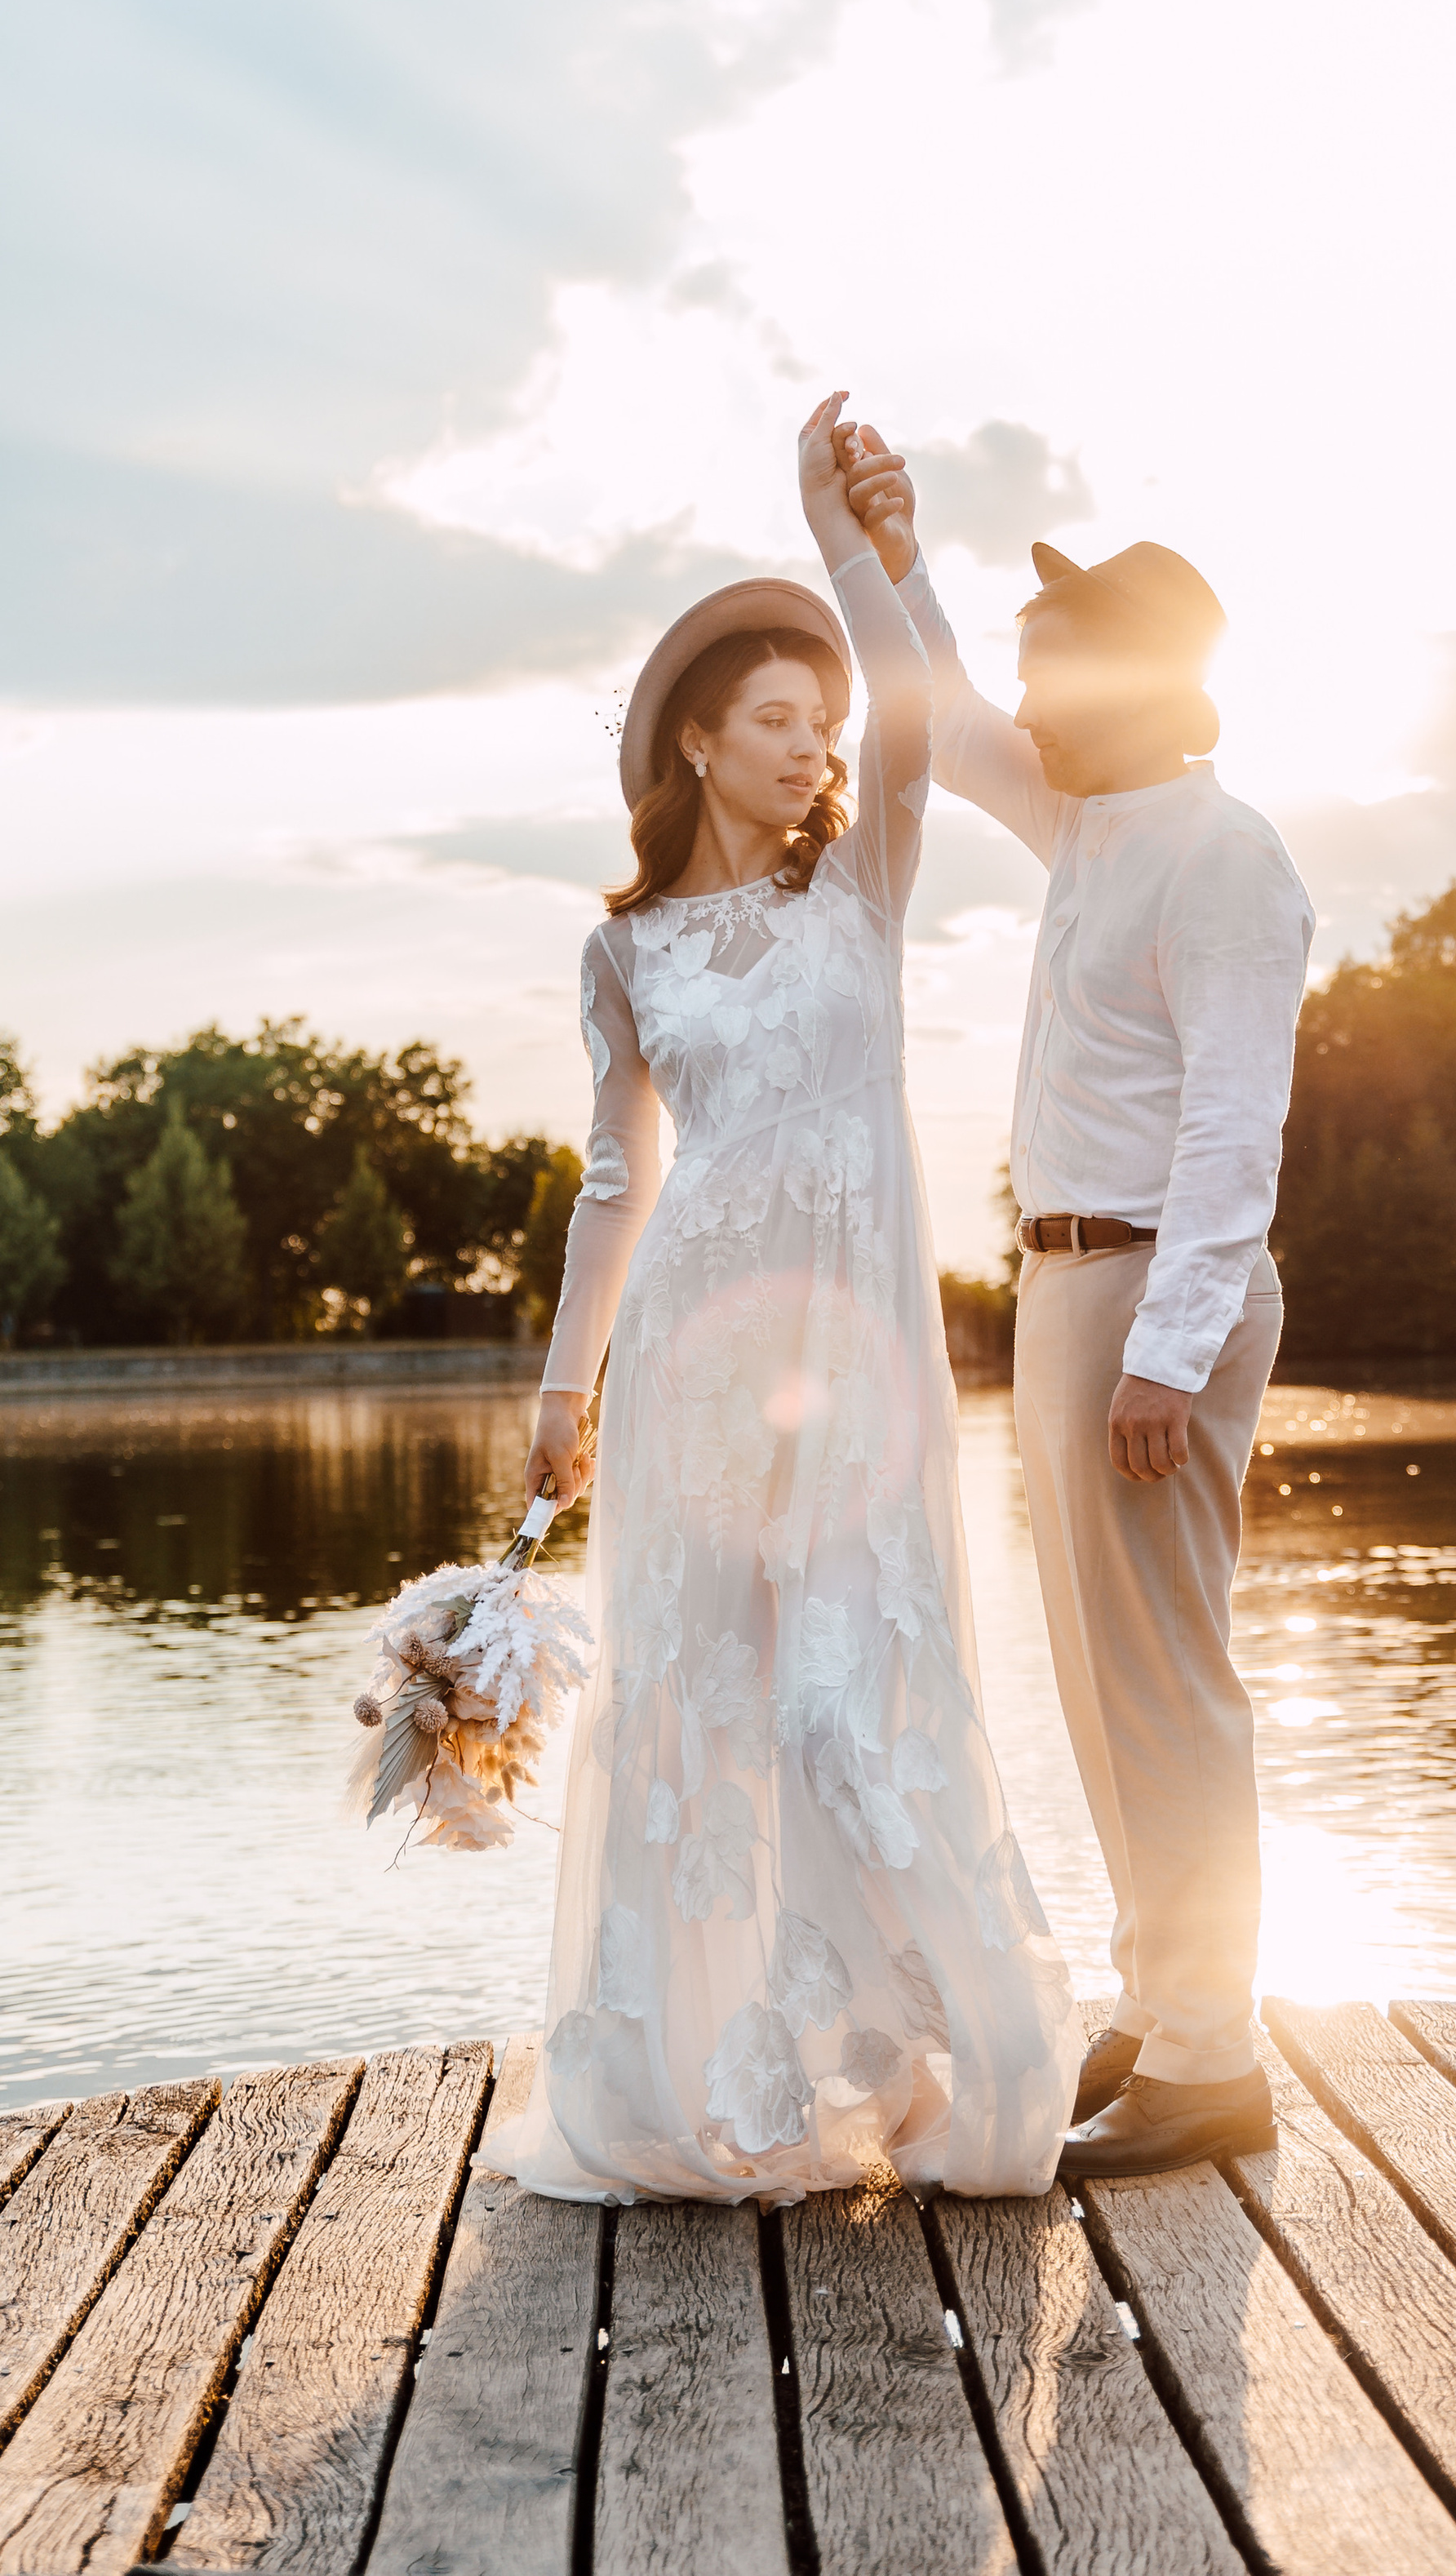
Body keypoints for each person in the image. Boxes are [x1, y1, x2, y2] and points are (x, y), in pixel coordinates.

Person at [493, 393, 1082, 2207]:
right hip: (693, 1357)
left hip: (854, 1362)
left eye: (817, 722)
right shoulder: (625, 950)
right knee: (703, 1703)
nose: (812, 742)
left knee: (846, 1694)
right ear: (696, 737)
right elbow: (618, 1179)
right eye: (773, 716)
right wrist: (566, 1387)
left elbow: (914, 705)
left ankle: (943, 2060)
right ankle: (708, 2084)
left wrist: (859, 548)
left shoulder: (866, 887)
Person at [842, 424, 1315, 2178]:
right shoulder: (1089, 823)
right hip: (1069, 1288)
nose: (1027, 692)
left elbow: (1235, 1128)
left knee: (1164, 1679)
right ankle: (1164, 1999)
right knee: (1101, 1678)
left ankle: (1211, 2059)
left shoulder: (1222, 856)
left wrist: (1168, 1355)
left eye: (1054, 664)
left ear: (1128, 683)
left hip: (1150, 1293)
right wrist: (894, 551)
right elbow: (948, 708)